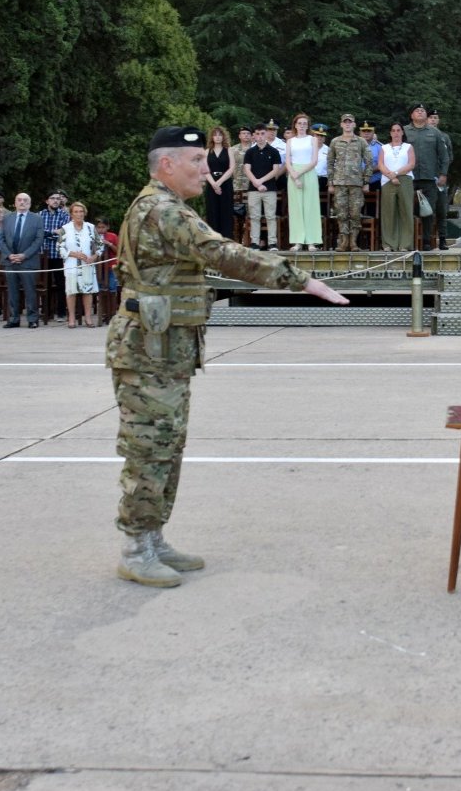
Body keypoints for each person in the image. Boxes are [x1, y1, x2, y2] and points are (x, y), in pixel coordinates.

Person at [108, 126, 347, 587]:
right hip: (147, 354)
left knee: (167, 446)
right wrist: (300, 280)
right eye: (195, 160)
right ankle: (136, 548)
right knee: (148, 449)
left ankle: (153, 538)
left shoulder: (167, 206)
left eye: (204, 159)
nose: (206, 168)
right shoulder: (162, 210)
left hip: (164, 349)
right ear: (166, 165)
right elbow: (222, 253)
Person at [405, 102, 450, 249]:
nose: (420, 112)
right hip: (409, 177)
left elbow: (444, 156)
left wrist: (443, 174)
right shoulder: (404, 131)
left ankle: (426, 241)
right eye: (416, 110)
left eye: (422, 111)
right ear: (411, 115)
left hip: (429, 178)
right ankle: (408, 241)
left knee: (428, 211)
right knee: (408, 209)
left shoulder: (435, 133)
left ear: (426, 115)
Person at [328, 113, 373, 251]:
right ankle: (343, 242)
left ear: (354, 124)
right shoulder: (335, 141)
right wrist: (330, 182)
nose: (347, 124)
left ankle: (353, 242)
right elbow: (329, 162)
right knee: (341, 213)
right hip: (339, 182)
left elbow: (369, 161)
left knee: (354, 213)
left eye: (350, 122)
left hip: (356, 183)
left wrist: (366, 180)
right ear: (341, 124)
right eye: (345, 122)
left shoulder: (361, 142)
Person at [0, 193, 44, 328]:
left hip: (28, 261)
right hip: (10, 261)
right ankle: (13, 319)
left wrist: (24, 255)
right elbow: (1, 238)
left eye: (25, 200)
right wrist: (9, 255)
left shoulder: (37, 218)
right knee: (12, 292)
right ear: (15, 203)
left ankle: (32, 319)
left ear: (30, 203)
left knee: (30, 291)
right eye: (19, 200)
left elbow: (38, 240)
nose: (22, 202)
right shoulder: (7, 218)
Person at [59, 200, 102, 327]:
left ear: (85, 213)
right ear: (71, 214)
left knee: (87, 291)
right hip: (71, 264)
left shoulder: (91, 227)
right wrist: (74, 254)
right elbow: (60, 248)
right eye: (76, 212)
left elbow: (100, 245)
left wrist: (94, 256)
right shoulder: (65, 229)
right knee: (71, 291)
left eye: (81, 211)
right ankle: (71, 318)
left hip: (87, 264)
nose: (79, 214)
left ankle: (88, 318)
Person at [285, 112, 323, 251]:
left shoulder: (312, 139)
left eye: (304, 124)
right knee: (296, 208)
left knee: (310, 207)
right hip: (293, 174)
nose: (302, 126)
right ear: (295, 125)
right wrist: (294, 176)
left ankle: (312, 241)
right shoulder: (290, 141)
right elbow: (288, 162)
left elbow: (314, 161)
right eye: (299, 123)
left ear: (308, 126)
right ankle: (297, 241)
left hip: (308, 172)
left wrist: (299, 174)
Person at [244, 124, 284, 250]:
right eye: (257, 134)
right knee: (254, 216)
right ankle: (254, 242)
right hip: (253, 189)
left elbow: (275, 170)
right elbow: (247, 169)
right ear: (254, 136)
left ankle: (272, 242)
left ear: (266, 134)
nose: (260, 137)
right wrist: (256, 182)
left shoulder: (274, 151)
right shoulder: (250, 152)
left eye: (262, 133)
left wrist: (261, 181)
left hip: (269, 189)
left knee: (270, 216)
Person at [378, 121, 416, 251]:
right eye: (393, 130)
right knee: (388, 213)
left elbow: (411, 164)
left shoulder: (408, 147)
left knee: (406, 211)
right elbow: (381, 165)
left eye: (398, 130)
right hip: (387, 181)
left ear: (402, 132)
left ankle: (405, 244)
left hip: (404, 180)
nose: (396, 133)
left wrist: (396, 174)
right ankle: (389, 243)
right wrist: (391, 176)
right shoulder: (384, 148)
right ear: (390, 133)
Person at [39, 189, 71, 320]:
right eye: (53, 198)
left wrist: (47, 234)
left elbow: (64, 233)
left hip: (59, 255)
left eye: (58, 198)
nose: (56, 200)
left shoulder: (65, 216)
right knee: (44, 285)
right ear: (47, 201)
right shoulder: (39, 215)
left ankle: (61, 312)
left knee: (61, 284)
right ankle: (46, 312)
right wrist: (53, 232)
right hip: (43, 255)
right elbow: (38, 233)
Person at [428, 109, 454, 249]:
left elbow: (449, 157)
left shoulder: (444, 137)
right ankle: (426, 240)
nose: (433, 120)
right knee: (426, 211)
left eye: (435, 117)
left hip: (440, 178)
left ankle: (442, 239)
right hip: (425, 177)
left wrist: (442, 173)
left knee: (441, 210)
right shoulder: (423, 135)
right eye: (431, 117)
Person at [204, 126, 235, 239]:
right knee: (212, 211)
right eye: (215, 135)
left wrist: (220, 182)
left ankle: (227, 238)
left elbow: (231, 168)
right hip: (211, 184)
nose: (217, 137)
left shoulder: (229, 150)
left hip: (225, 183)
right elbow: (205, 170)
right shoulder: (207, 151)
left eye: (220, 135)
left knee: (226, 211)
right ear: (212, 137)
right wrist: (213, 184)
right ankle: (213, 238)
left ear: (223, 137)